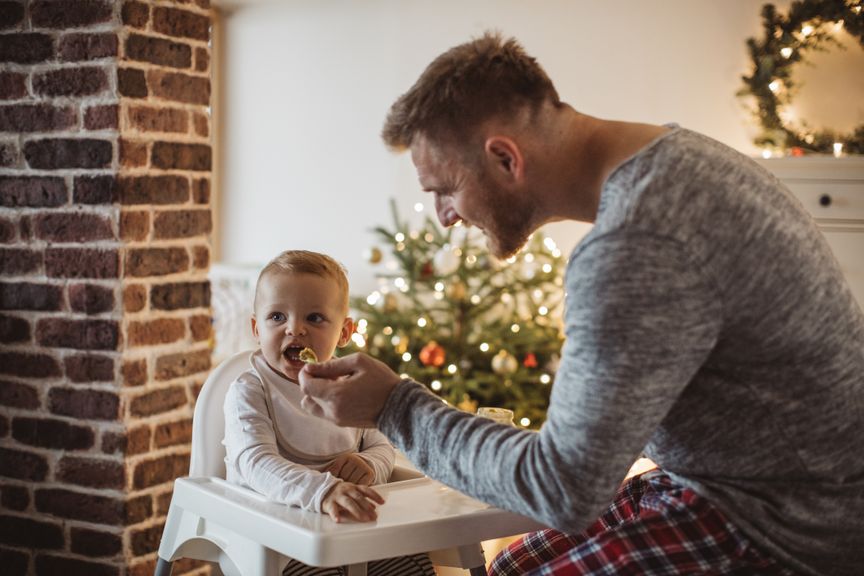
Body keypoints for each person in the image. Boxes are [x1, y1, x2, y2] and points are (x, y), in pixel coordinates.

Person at [297, 32, 864, 576]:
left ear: (505, 158)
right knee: (516, 561)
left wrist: (394, 405)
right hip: (741, 483)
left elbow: (562, 488)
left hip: (786, 526)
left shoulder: (637, 241)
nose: (445, 215)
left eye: (445, 189)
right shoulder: (683, 157)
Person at [223, 250, 435, 576]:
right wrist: (323, 492)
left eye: (315, 318)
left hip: (349, 527)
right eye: (277, 317)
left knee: (414, 561)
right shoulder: (250, 391)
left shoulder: (352, 388)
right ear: (256, 327)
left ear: (345, 332)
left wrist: (368, 466)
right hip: (275, 535)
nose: (295, 329)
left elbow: (382, 446)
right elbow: (255, 463)